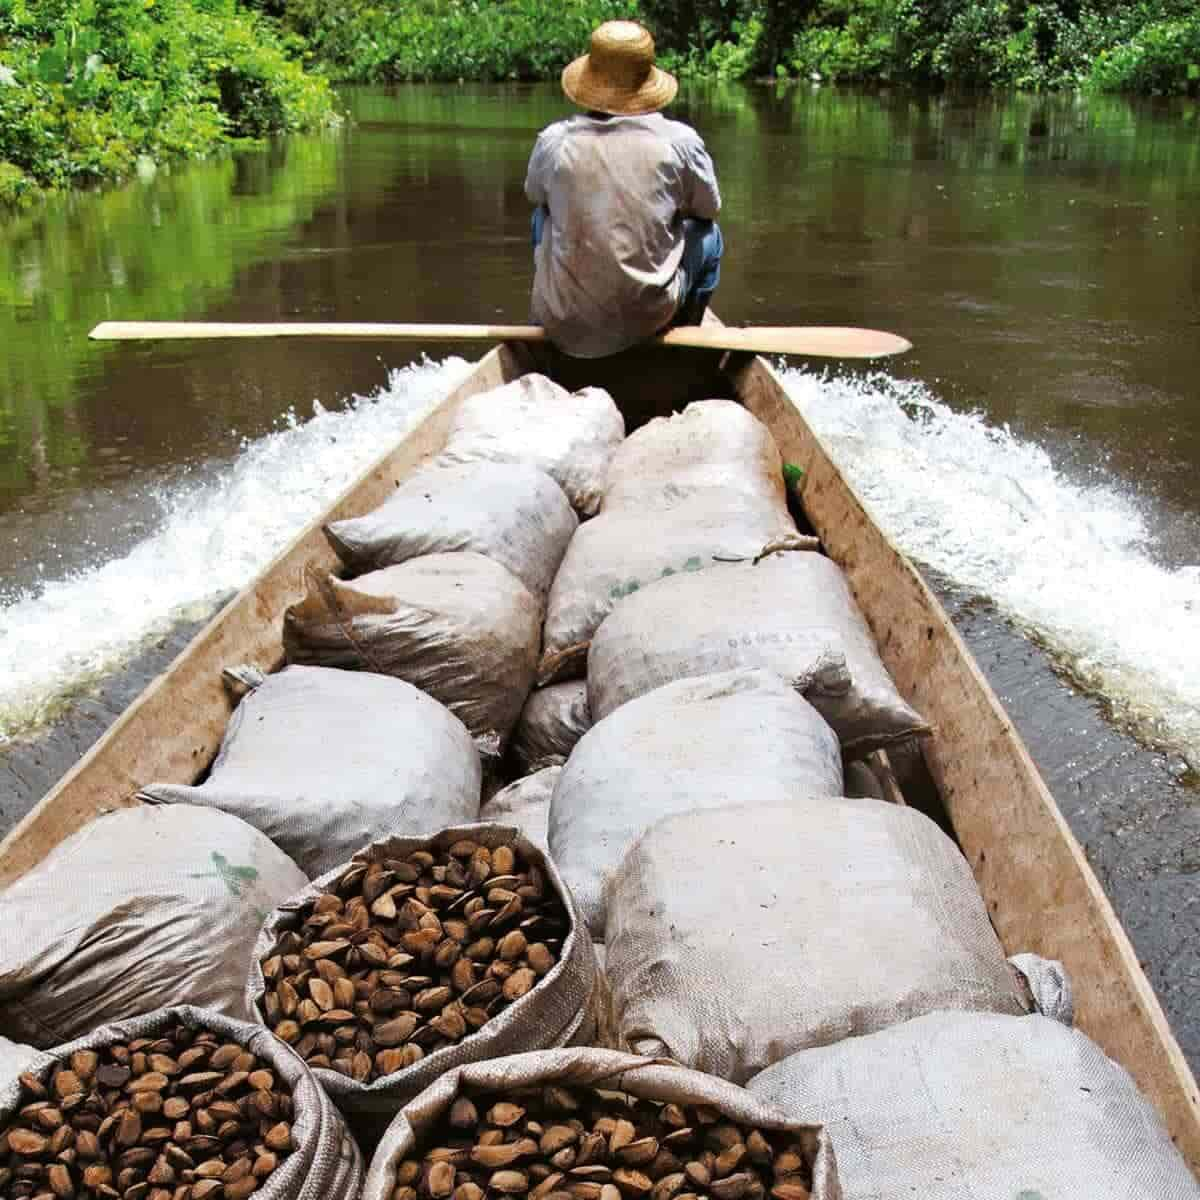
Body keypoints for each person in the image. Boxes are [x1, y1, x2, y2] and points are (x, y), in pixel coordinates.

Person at [525, 20, 723, 359]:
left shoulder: (555, 141)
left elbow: (535, 195)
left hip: (565, 323)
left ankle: (559, 316)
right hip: (648, 317)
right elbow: (708, 210)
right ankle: (684, 340)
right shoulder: (679, 142)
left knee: (540, 218)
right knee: (709, 235)